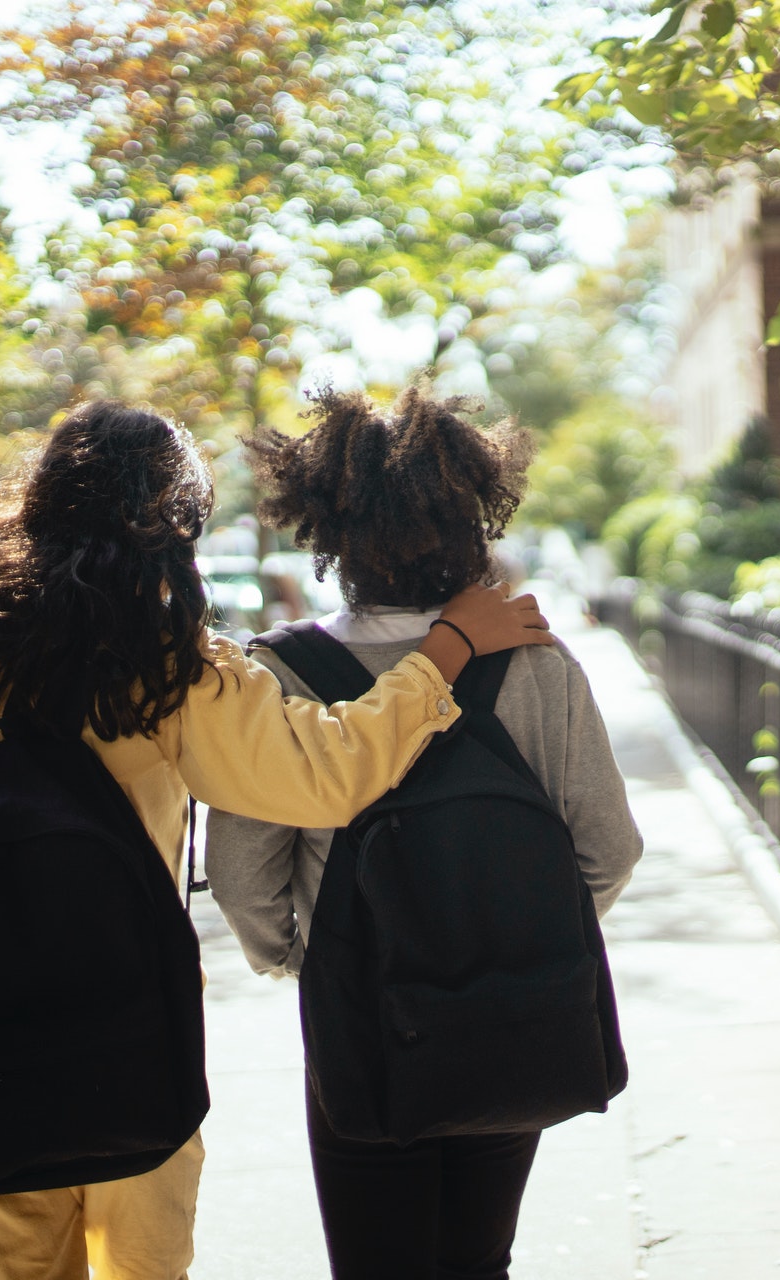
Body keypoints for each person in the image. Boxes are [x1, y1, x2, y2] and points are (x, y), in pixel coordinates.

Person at [0, 401, 555, 1280]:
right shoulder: (160, 669)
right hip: (126, 1042)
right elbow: (328, 771)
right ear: (173, 522)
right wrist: (449, 650)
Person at [206, 388, 642, 1280]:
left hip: (362, 1016)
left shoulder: (282, 672)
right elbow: (609, 847)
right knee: (480, 1261)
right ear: (472, 519)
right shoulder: (535, 660)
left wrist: (303, 957)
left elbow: (245, 872)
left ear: (328, 532)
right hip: (513, 1007)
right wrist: (525, 933)